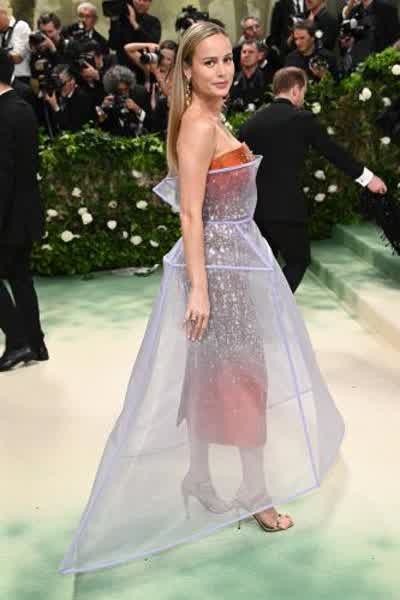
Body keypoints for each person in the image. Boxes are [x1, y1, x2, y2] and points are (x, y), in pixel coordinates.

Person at [60, 22, 347, 575]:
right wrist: (200, 287)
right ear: (187, 71)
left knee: (214, 374)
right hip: (219, 269)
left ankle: (199, 475)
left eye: (226, 60)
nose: (222, 70)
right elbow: (190, 213)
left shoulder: (211, 117)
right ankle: (255, 490)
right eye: (208, 62)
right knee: (244, 374)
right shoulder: (196, 124)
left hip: (234, 259)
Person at [239, 66, 387, 293]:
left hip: (254, 208)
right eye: (303, 92)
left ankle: (264, 307)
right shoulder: (302, 119)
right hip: (287, 208)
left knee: (266, 265)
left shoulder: (251, 123)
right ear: (296, 90)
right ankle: (274, 306)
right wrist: (368, 179)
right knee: (298, 260)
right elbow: (334, 153)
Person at [0, 50, 47, 372]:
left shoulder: (5, 113)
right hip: (25, 211)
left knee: (18, 275)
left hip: (8, 213)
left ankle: (18, 341)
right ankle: (35, 343)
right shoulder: (22, 106)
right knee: (20, 276)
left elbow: (4, 173)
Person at [108, 0, 161, 68]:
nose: (141, 3)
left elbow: (153, 44)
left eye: (145, 0)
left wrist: (134, 23)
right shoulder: (121, 20)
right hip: (122, 66)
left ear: (150, 2)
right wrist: (114, 21)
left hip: (143, 66)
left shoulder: (154, 22)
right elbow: (113, 45)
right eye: (138, 0)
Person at [44, 64, 93, 133]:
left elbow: (71, 128)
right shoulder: (54, 96)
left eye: (62, 83)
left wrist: (56, 108)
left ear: (72, 81)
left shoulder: (82, 98)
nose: (59, 87)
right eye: (56, 82)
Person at [0, 2, 31, 84]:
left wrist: (3, 54)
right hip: (2, 78)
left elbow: (18, 58)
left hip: (19, 78)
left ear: (3, 15)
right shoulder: (1, 31)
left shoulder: (21, 26)